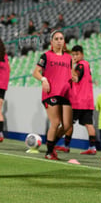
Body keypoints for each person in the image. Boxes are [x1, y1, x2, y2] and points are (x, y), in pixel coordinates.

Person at [32, 30, 73, 160]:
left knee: (67, 126)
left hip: (66, 94)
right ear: (52, 42)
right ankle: (49, 152)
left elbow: (70, 74)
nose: (59, 40)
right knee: (55, 122)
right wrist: (43, 80)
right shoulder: (46, 56)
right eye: (56, 38)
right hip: (51, 93)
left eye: (61, 38)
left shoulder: (69, 57)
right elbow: (36, 72)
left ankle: (51, 146)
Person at [55, 45, 97, 155]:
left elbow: (75, 77)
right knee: (89, 124)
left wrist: (71, 64)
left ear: (82, 54)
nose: (75, 56)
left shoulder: (80, 66)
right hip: (88, 101)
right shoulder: (87, 65)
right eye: (73, 55)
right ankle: (92, 147)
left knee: (68, 123)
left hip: (77, 101)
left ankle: (66, 145)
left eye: (77, 54)